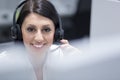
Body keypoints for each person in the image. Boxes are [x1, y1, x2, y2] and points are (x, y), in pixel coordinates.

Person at [10, 0, 81, 80]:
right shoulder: (4, 65)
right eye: (30, 29)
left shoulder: (64, 58)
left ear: (56, 33)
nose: (39, 38)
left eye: (46, 30)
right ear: (18, 31)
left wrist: (79, 66)